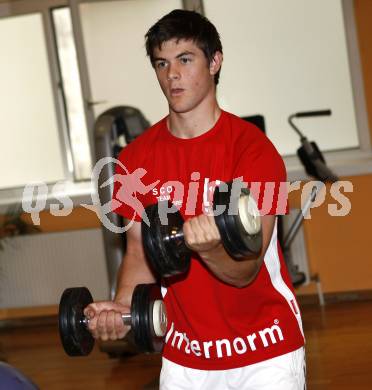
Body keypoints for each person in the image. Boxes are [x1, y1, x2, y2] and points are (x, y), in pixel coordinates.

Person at [85, 9, 306, 389]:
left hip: (265, 350)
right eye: (161, 63)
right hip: (187, 355)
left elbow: (246, 269)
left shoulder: (253, 151)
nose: (172, 74)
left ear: (215, 61)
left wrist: (209, 249)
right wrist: (122, 309)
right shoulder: (135, 159)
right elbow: (139, 253)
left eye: (185, 59)